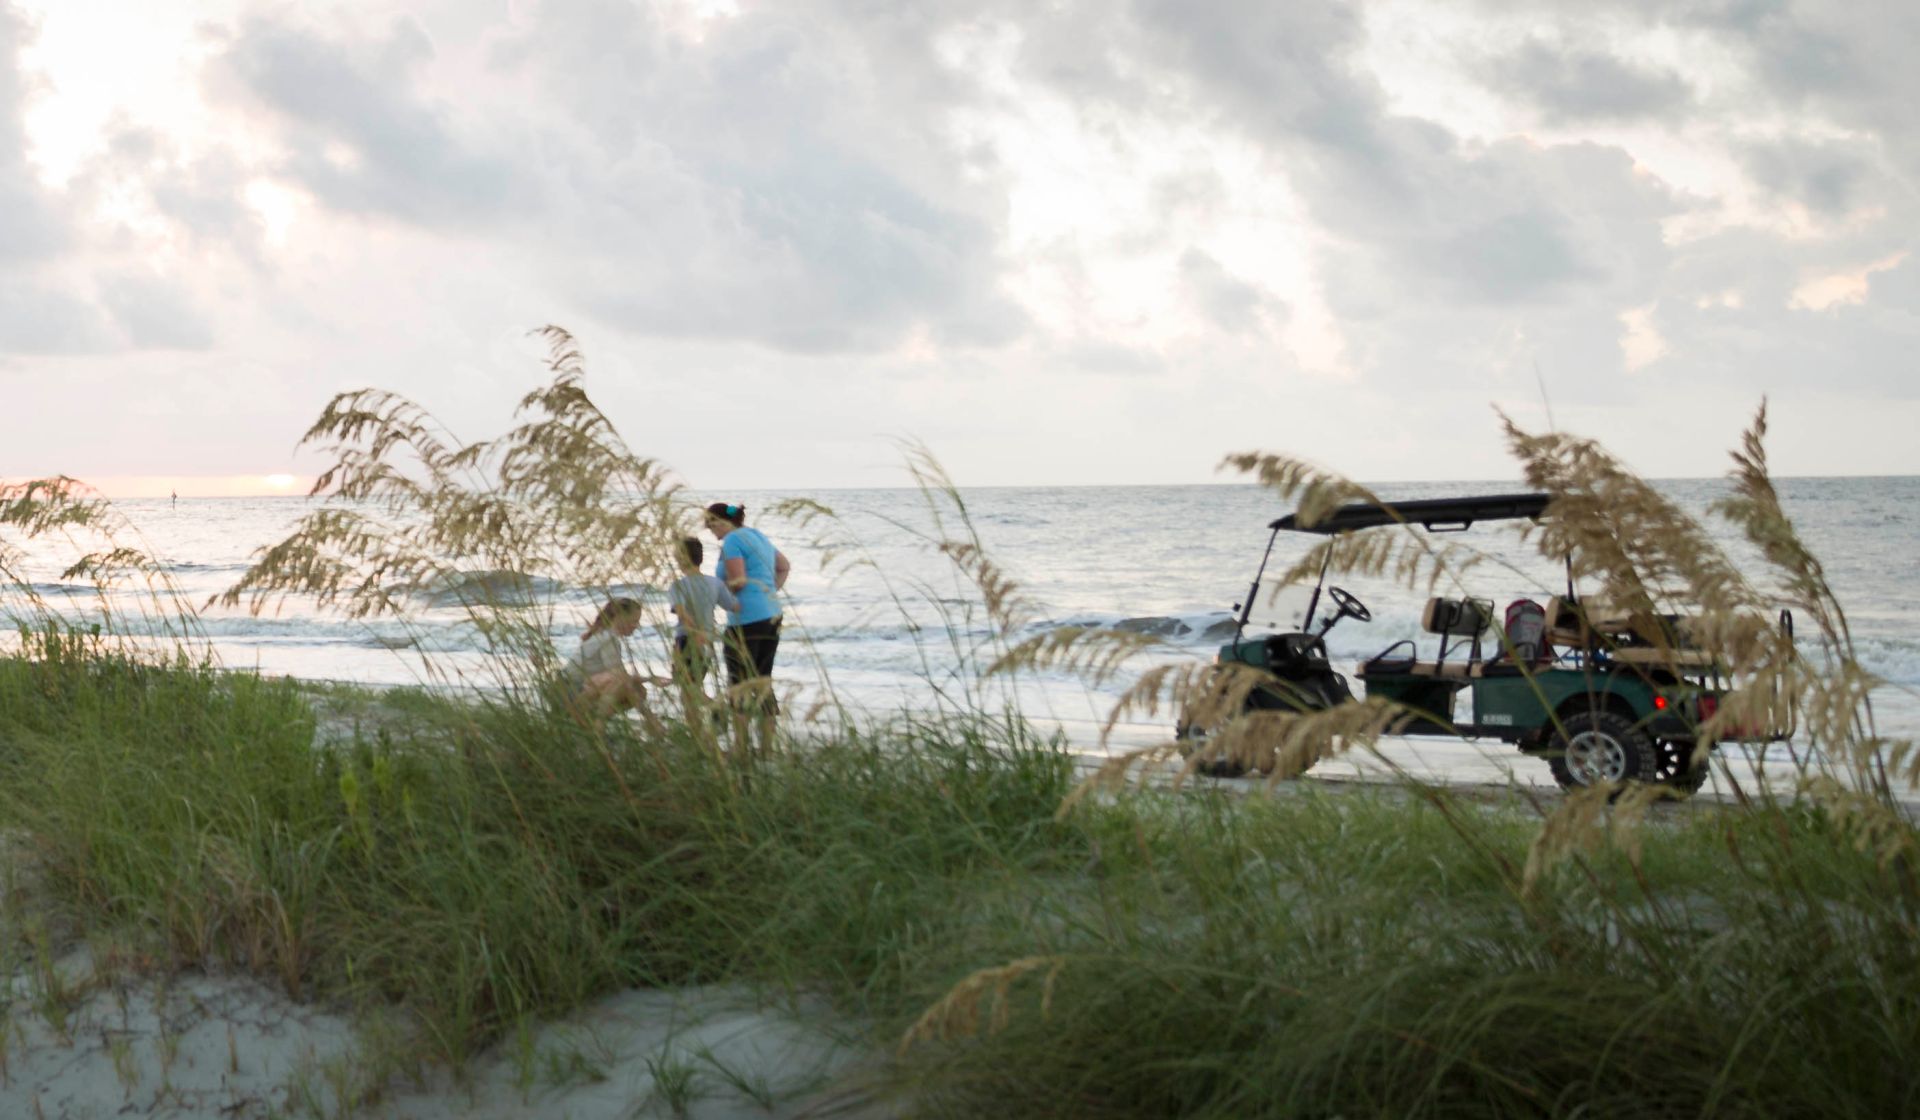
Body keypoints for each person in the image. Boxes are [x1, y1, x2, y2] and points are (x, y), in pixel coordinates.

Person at [703, 502, 790, 714]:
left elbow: (738, 581)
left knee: (738, 684)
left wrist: (713, 594)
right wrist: (768, 592)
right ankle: (767, 747)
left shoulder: (732, 540)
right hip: (772, 614)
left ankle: (740, 746)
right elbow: (784, 566)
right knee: (762, 681)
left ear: (719, 521)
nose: (709, 530)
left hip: (747, 620)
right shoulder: (756, 535)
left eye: (709, 524)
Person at [665, 536, 739, 691]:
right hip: (708, 641)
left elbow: (682, 613)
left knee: (687, 691)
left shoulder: (678, 586)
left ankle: (715, 708)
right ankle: (714, 709)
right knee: (695, 687)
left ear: (680, 559)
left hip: (686, 640)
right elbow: (734, 606)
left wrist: (696, 634)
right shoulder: (715, 583)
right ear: (701, 558)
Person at [568, 597, 651, 716]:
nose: (637, 626)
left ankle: (592, 721)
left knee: (636, 689)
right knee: (629, 686)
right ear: (619, 617)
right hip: (571, 691)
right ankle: (597, 724)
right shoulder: (608, 638)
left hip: (575, 689)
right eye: (634, 621)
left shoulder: (604, 633)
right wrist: (651, 679)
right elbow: (620, 677)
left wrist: (650, 679)